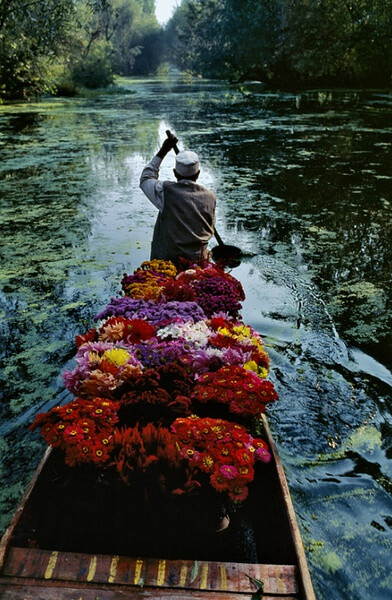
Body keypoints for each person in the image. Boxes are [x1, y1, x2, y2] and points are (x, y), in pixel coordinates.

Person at [140, 136, 216, 266]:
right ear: (198, 174)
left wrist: (164, 150)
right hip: (199, 261)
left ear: (175, 173)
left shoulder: (165, 191)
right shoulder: (210, 197)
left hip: (167, 263)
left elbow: (146, 178)